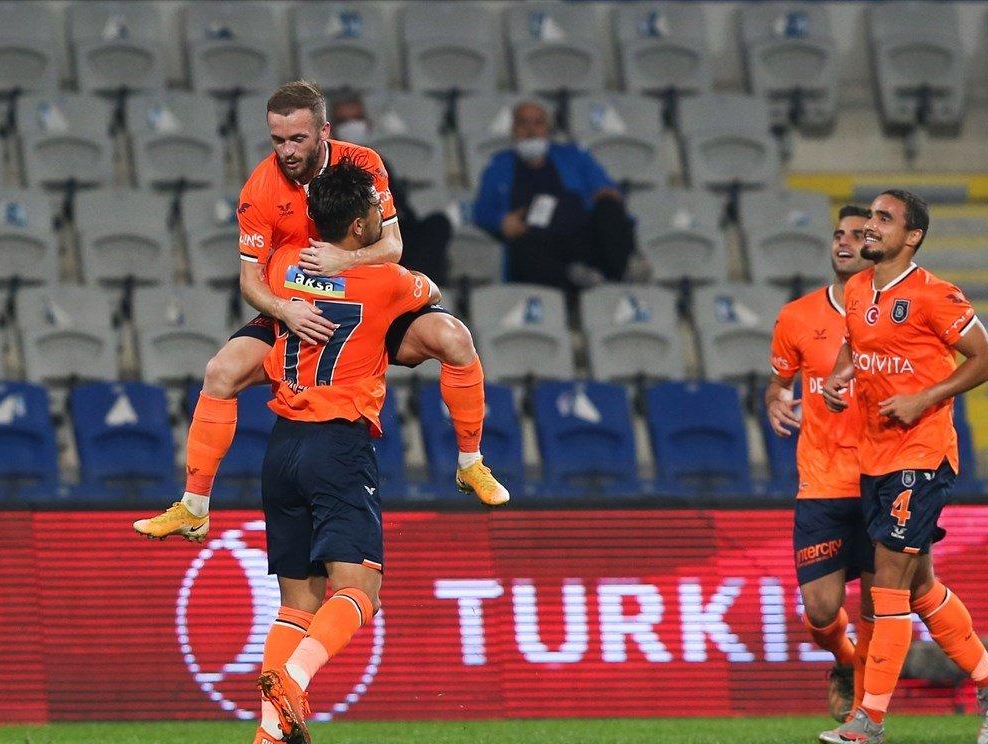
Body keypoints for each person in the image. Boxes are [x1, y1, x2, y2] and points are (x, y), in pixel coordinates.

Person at [134, 82, 507, 543]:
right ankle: (194, 506)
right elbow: (250, 282)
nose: (286, 151)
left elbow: (393, 246)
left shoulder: (364, 164)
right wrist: (284, 310)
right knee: (220, 372)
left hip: (368, 298)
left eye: (297, 139)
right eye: (277, 140)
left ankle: (470, 463)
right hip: (297, 308)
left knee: (454, 337)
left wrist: (345, 261)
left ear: (323, 131)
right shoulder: (260, 189)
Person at [817, 190, 988, 744]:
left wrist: (923, 398)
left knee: (888, 584)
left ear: (912, 237)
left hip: (922, 453)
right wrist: (839, 381)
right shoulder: (858, 290)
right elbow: (858, 350)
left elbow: (987, 359)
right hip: (874, 453)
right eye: (869, 219)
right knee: (921, 584)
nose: (869, 228)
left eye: (884, 220)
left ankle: (869, 719)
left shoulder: (936, 295)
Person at [249, 160, 436, 744]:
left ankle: (270, 738)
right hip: (337, 444)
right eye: (374, 220)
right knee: (360, 590)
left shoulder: (283, 267)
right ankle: (296, 682)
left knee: (296, 604)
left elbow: (259, 281)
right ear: (359, 225)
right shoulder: (384, 282)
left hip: (281, 445)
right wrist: (383, 264)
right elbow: (428, 293)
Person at [766, 205, 874, 721]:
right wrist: (774, 400)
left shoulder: (898, 314)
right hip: (823, 482)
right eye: (838, 235)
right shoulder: (796, 316)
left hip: (884, 476)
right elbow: (779, 381)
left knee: (882, 606)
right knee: (821, 610)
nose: (844, 242)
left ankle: (869, 712)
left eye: (857, 235)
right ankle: (845, 662)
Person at [473, 99, 635, 292]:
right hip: (536, 241)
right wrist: (501, 222)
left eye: (538, 123)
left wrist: (605, 196)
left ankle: (619, 277)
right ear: (513, 130)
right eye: (523, 123)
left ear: (548, 129)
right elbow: (481, 212)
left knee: (609, 208)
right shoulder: (498, 166)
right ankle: (573, 284)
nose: (531, 130)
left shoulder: (573, 156)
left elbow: (605, 189)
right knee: (525, 246)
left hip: (578, 232)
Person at [328, 91, 453, 285]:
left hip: (389, 231)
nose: (352, 126)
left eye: (357, 119)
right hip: (354, 237)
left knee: (437, 223)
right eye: (344, 121)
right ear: (331, 129)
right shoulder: (325, 168)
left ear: (368, 124)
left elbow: (402, 210)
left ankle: (414, 287)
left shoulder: (379, 162)